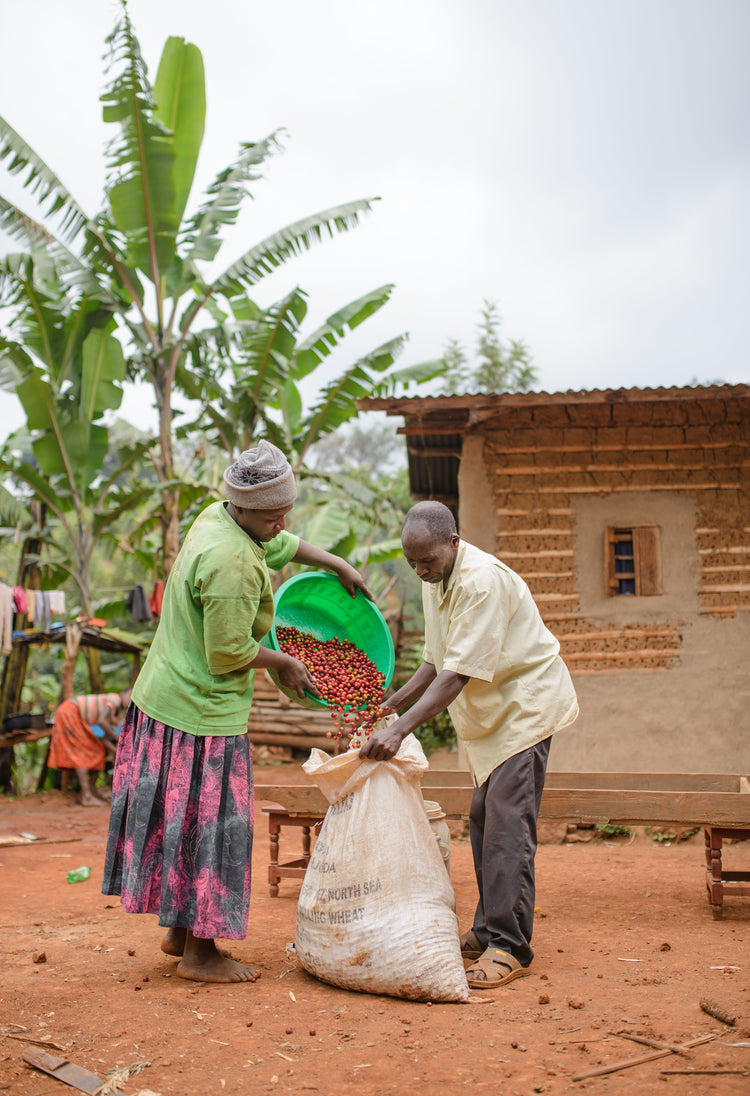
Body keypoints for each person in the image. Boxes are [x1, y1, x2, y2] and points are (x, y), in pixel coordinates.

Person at [102, 441, 371, 984]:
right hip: (199, 714)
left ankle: (179, 933)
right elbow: (227, 653)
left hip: (164, 698)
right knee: (213, 828)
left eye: (285, 514)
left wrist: (335, 562)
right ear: (245, 508)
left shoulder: (220, 519)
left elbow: (280, 545)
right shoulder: (231, 563)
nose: (281, 525)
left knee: (181, 824)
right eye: (273, 516)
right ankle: (203, 954)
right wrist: (287, 663)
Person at [359, 501, 578, 989]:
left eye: (427, 560)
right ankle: (487, 930)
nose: (420, 569)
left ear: (453, 543)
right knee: (482, 821)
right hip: (493, 717)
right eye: (412, 561)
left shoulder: (480, 582)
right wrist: (390, 708)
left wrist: (398, 731)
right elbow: (434, 661)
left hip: (524, 707)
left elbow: (456, 675)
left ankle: (510, 946)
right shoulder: (436, 578)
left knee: (507, 828)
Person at [48, 690, 131, 807]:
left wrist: (118, 751)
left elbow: (103, 740)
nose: (131, 700)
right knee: (82, 751)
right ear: (123, 693)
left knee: (97, 749)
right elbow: (101, 721)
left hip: (73, 713)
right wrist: (119, 739)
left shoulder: (115, 716)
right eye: (130, 696)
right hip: (69, 710)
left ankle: (92, 792)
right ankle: (87, 797)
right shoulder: (115, 699)